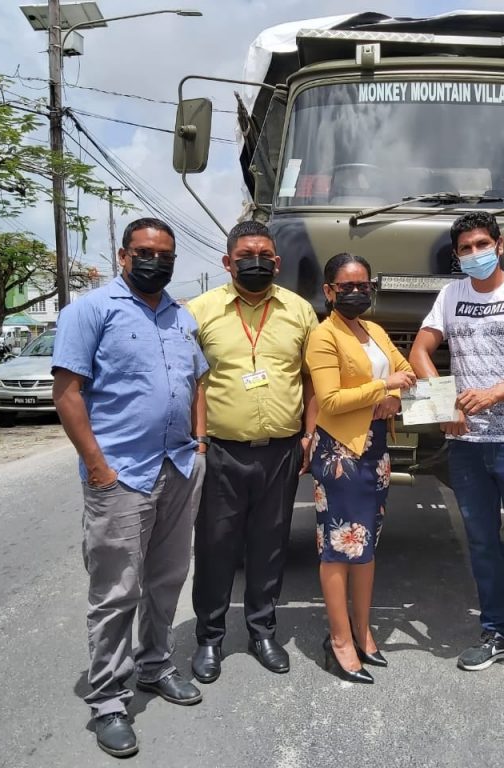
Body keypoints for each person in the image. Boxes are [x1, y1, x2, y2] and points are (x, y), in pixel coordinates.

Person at [51, 217, 208, 758]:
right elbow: (67, 392)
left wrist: (201, 442)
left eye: (165, 253)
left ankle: (156, 665)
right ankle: (108, 701)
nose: (155, 261)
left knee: (167, 579)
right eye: (144, 251)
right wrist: (96, 463)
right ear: (123, 256)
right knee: (117, 591)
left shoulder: (181, 315)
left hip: (178, 467)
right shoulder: (89, 311)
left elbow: (196, 383)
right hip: (120, 473)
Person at [409, 211, 504, 696]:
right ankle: (496, 631)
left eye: (481, 244)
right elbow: (419, 351)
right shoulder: (451, 295)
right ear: (456, 256)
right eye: (465, 248)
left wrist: (493, 394)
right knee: (481, 542)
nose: (475, 253)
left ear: (499, 244)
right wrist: (442, 402)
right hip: (467, 446)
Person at [186, 220, 318, 682]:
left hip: (282, 451)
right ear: (228, 262)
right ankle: (209, 637)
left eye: (264, 254)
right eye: (246, 255)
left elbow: (311, 380)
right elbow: (191, 384)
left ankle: (262, 631)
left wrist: (308, 436)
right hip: (220, 451)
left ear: (277, 262)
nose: (256, 261)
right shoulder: (199, 312)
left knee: (270, 544)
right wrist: (198, 442)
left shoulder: (301, 312)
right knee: (216, 546)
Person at [306, 253, 416, 684]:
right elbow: (329, 400)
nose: (356, 292)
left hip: (376, 448)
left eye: (363, 284)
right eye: (346, 285)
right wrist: (381, 388)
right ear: (329, 291)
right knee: (338, 547)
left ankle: (362, 628)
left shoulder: (373, 330)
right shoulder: (323, 336)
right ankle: (338, 639)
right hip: (340, 452)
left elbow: (406, 370)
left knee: (366, 543)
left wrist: (392, 393)